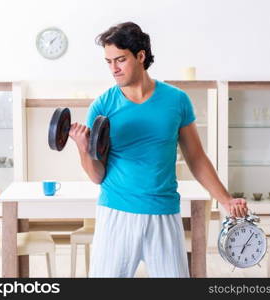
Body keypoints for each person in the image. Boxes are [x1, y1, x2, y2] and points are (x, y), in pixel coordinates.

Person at [68, 22, 248, 278]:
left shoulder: (176, 100)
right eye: (108, 62)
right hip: (116, 212)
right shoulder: (102, 106)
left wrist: (225, 199)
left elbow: (196, 158)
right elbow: (97, 175)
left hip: (163, 213)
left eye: (120, 60)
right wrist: (83, 148)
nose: (113, 69)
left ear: (141, 56)